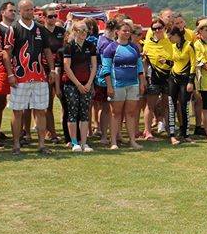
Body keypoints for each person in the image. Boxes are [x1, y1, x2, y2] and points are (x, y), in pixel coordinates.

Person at [4, 0, 56, 155]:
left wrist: (52, 70)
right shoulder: (13, 29)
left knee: (40, 110)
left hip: (39, 76)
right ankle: (16, 145)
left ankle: (41, 145)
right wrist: (10, 74)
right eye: (26, 9)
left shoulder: (40, 29)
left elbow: (47, 51)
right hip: (20, 77)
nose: (30, 12)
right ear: (20, 11)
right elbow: (6, 54)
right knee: (17, 111)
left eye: (31, 9)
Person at [101, 21, 145, 150]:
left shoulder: (134, 47)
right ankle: (113, 141)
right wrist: (109, 86)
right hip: (117, 85)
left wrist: (142, 83)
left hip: (133, 84)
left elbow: (139, 67)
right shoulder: (110, 48)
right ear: (117, 32)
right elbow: (106, 69)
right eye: (124, 30)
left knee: (131, 113)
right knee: (116, 113)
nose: (127, 33)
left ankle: (132, 141)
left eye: (128, 31)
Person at [61, 19, 98, 152]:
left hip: (86, 83)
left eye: (86, 30)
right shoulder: (69, 46)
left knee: (84, 113)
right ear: (75, 31)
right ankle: (74, 142)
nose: (84, 33)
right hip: (71, 84)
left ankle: (84, 142)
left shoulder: (90, 46)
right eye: (81, 30)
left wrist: (89, 83)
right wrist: (78, 84)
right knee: (72, 112)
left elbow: (94, 65)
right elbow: (66, 66)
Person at [0, 1, 16, 148]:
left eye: (14, 11)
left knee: (18, 103)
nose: (13, 13)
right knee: (0, 102)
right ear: (3, 12)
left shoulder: (15, 28)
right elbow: (0, 52)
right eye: (11, 10)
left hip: (15, 68)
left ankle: (19, 133)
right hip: (1, 69)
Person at [141, 18, 173, 140]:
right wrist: (144, 77)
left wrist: (167, 61)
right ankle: (147, 131)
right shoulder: (148, 43)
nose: (157, 30)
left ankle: (169, 130)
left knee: (166, 105)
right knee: (150, 105)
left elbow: (175, 60)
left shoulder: (169, 42)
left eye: (160, 28)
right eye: (154, 28)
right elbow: (145, 61)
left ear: (164, 28)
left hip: (168, 78)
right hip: (153, 78)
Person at [166, 26, 196, 145]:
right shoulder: (173, 46)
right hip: (173, 78)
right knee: (171, 106)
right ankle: (172, 135)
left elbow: (193, 64)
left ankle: (186, 134)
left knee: (184, 106)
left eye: (170, 37)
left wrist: (191, 81)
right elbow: (175, 62)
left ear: (176, 35)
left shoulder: (189, 45)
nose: (169, 40)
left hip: (185, 80)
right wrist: (166, 62)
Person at [41, 8, 67, 144]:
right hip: (45, 70)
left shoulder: (61, 31)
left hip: (62, 69)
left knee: (65, 102)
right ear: (44, 17)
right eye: (50, 16)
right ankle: (51, 133)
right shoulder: (40, 31)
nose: (53, 18)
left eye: (54, 16)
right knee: (48, 104)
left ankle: (68, 132)